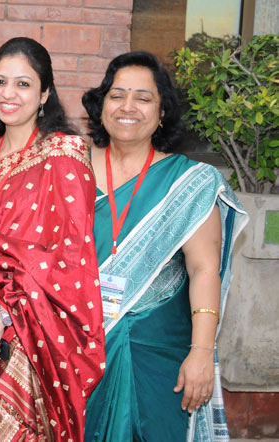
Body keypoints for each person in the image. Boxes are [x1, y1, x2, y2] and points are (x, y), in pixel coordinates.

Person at [0, 37, 106, 442]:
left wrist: (0, 317)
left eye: (23, 84)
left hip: (31, 338)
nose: (8, 94)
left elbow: (67, 258)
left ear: (45, 93)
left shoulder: (63, 155)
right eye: (0, 82)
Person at [81, 51, 248, 441]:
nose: (128, 107)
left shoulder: (188, 182)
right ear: (101, 106)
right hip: (77, 350)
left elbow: (204, 270)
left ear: (162, 113)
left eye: (143, 98)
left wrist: (201, 353)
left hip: (158, 353)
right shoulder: (68, 169)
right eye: (117, 95)